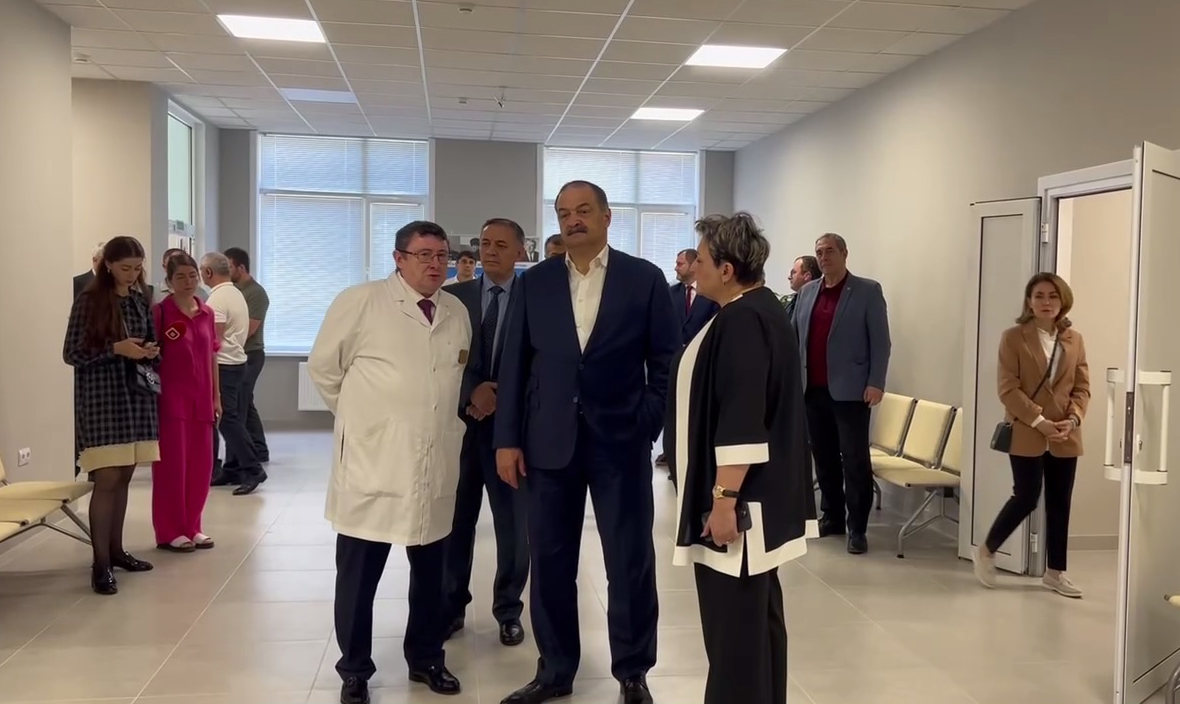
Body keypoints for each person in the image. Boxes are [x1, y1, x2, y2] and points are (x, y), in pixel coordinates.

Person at [494, 180, 678, 704]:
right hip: (547, 443)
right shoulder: (535, 282)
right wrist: (507, 439)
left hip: (621, 441)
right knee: (551, 563)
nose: (573, 220)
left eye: (583, 211)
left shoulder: (644, 279)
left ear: (606, 216)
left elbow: (667, 362)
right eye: (563, 213)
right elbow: (513, 365)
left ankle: (633, 671)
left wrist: (647, 421)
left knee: (629, 561)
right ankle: (554, 670)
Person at [309, 220, 472, 704]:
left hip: (434, 462)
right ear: (399, 258)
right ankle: (354, 670)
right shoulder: (360, 301)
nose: (435, 265)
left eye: (442, 256)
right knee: (359, 577)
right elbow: (324, 369)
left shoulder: (456, 311)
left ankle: (426, 658)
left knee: (432, 576)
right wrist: (364, 421)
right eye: (424, 255)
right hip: (374, 462)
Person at [666, 213, 814, 704]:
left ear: (727, 270)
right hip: (757, 501)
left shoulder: (743, 319)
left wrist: (724, 499)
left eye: (702, 260)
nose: (694, 269)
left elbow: (743, 416)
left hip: (741, 506)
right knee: (755, 628)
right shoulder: (758, 309)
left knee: (734, 638)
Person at [443, 218, 530, 648]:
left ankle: (508, 609)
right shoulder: (453, 298)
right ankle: (451, 606)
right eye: (484, 243)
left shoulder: (535, 298)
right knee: (455, 522)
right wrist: (471, 392)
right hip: (460, 427)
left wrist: (501, 399)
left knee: (513, 527)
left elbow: (541, 362)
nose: (490, 251)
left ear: (521, 252)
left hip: (511, 433)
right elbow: (439, 358)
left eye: (500, 244)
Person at [975, 273, 1090, 598]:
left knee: (1060, 502)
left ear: (1062, 300)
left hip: (1065, 433)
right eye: (1039, 296)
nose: (1046, 302)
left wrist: (1073, 419)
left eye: (1053, 296)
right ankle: (987, 549)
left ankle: (1055, 573)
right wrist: (1040, 421)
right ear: (1029, 301)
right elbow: (1008, 389)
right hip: (1028, 429)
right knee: (1026, 496)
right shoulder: (1013, 337)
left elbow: (1082, 387)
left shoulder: (1075, 339)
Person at [63, 236, 160, 595]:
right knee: (106, 478)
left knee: (124, 477)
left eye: (137, 268)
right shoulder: (89, 300)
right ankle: (100, 562)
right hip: (102, 401)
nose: (132, 274)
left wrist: (149, 351)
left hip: (136, 399)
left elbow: (151, 342)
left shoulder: (139, 298)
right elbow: (72, 353)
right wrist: (116, 349)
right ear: (107, 265)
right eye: (125, 268)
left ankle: (117, 551)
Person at [792, 233, 891, 555]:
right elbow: (795, 339)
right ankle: (832, 516)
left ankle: (857, 528)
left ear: (845, 253)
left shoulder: (867, 291)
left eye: (830, 251)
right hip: (812, 390)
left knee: (854, 460)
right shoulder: (807, 292)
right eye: (819, 252)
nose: (824, 257)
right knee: (823, 458)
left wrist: (876, 382)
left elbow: (881, 341)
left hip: (851, 392)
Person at [151, 253, 220, 552]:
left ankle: (193, 526)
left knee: (200, 466)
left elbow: (212, 356)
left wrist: (216, 397)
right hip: (171, 400)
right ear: (169, 281)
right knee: (172, 467)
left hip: (202, 400)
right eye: (180, 277)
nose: (188, 282)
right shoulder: (161, 313)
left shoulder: (207, 313)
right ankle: (170, 530)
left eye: (193, 275)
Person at [202, 252, 265, 496]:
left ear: (208, 273)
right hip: (237, 362)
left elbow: (214, 340)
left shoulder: (217, 299)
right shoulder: (235, 292)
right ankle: (232, 469)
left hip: (224, 365)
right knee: (233, 417)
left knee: (227, 419)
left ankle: (253, 469)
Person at [658, 248, 719, 473]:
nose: (675, 267)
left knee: (695, 410)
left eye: (680, 263)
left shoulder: (709, 295)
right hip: (672, 363)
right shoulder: (670, 293)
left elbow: (714, 325)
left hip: (700, 363)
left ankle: (694, 455)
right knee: (672, 408)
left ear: (693, 265)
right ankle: (671, 453)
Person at [225, 247, 271, 465]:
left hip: (250, 355)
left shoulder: (256, 293)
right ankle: (259, 450)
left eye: (228, 267)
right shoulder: (233, 291)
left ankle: (238, 461)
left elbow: (249, 329)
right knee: (246, 402)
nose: (225, 271)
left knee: (238, 406)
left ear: (241, 267)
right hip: (236, 355)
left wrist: (222, 344)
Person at [782, 255, 820, 320]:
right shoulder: (793, 302)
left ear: (807, 276)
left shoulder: (815, 305)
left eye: (794, 272)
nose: (789, 277)